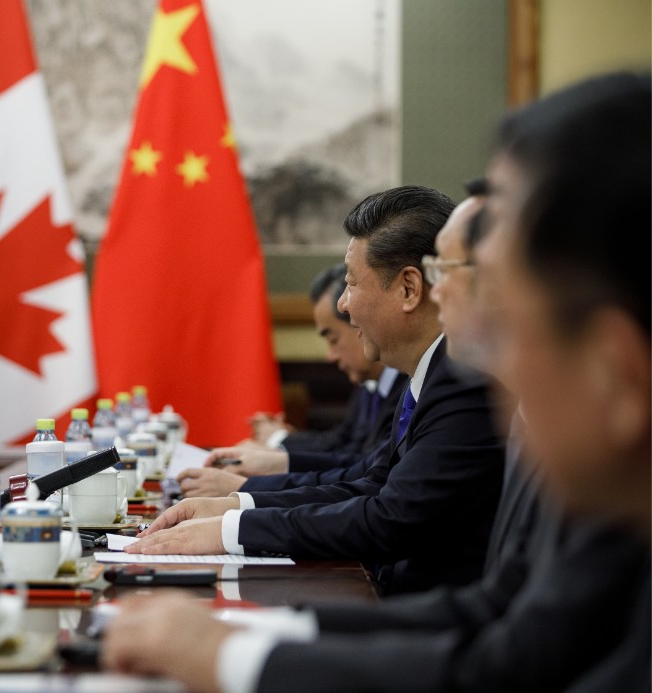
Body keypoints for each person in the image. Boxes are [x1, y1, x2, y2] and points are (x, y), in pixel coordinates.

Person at [101, 72, 651, 692]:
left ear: (617, 375)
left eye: (504, 303)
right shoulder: (615, 510)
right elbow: (501, 620)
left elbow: (500, 663)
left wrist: (234, 656)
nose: (500, 371)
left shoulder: (474, 391)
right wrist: (245, 635)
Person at [131, 185, 506, 595]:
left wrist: (229, 530)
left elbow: (389, 520)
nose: (344, 304)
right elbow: (368, 482)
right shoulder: (431, 374)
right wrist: (235, 506)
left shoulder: (463, 381)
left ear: (408, 289)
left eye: (351, 284)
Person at [179, 265, 407, 498]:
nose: (330, 355)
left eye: (333, 338)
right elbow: (344, 445)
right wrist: (275, 455)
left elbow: (365, 472)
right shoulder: (370, 382)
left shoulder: (406, 384)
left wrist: (257, 476)